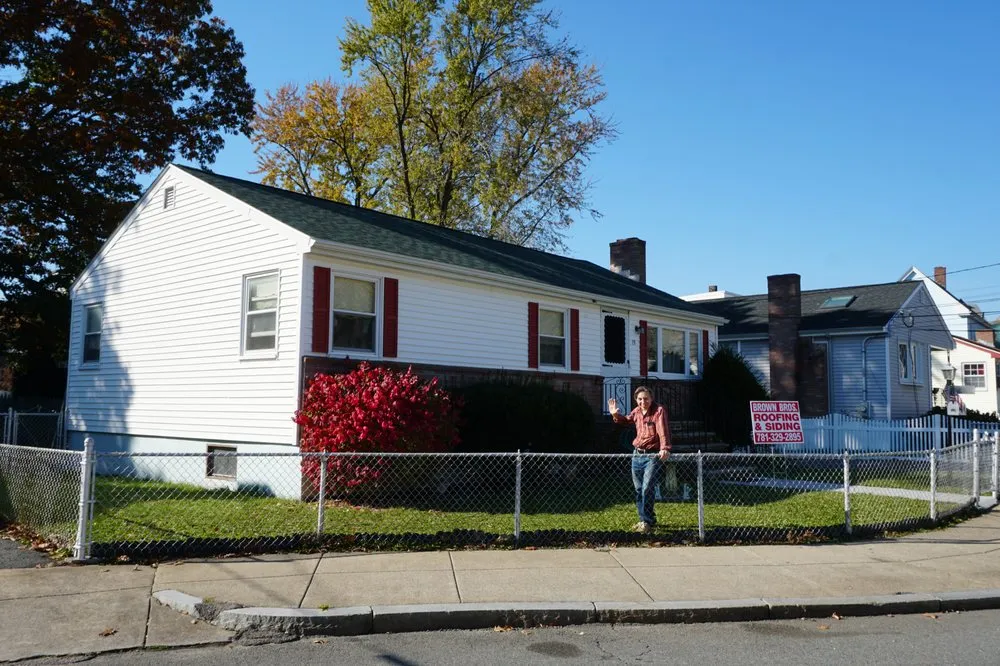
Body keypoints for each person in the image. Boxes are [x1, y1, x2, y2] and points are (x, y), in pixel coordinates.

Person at [608, 386, 671, 533]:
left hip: (652, 455)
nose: (643, 401)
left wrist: (665, 447)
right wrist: (615, 415)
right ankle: (645, 519)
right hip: (637, 455)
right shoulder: (636, 411)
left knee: (647, 488)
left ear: (651, 398)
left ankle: (646, 521)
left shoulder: (658, 410)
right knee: (638, 489)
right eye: (640, 399)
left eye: (646, 398)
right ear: (636, 400)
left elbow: (663, 430)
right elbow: (626, 421)